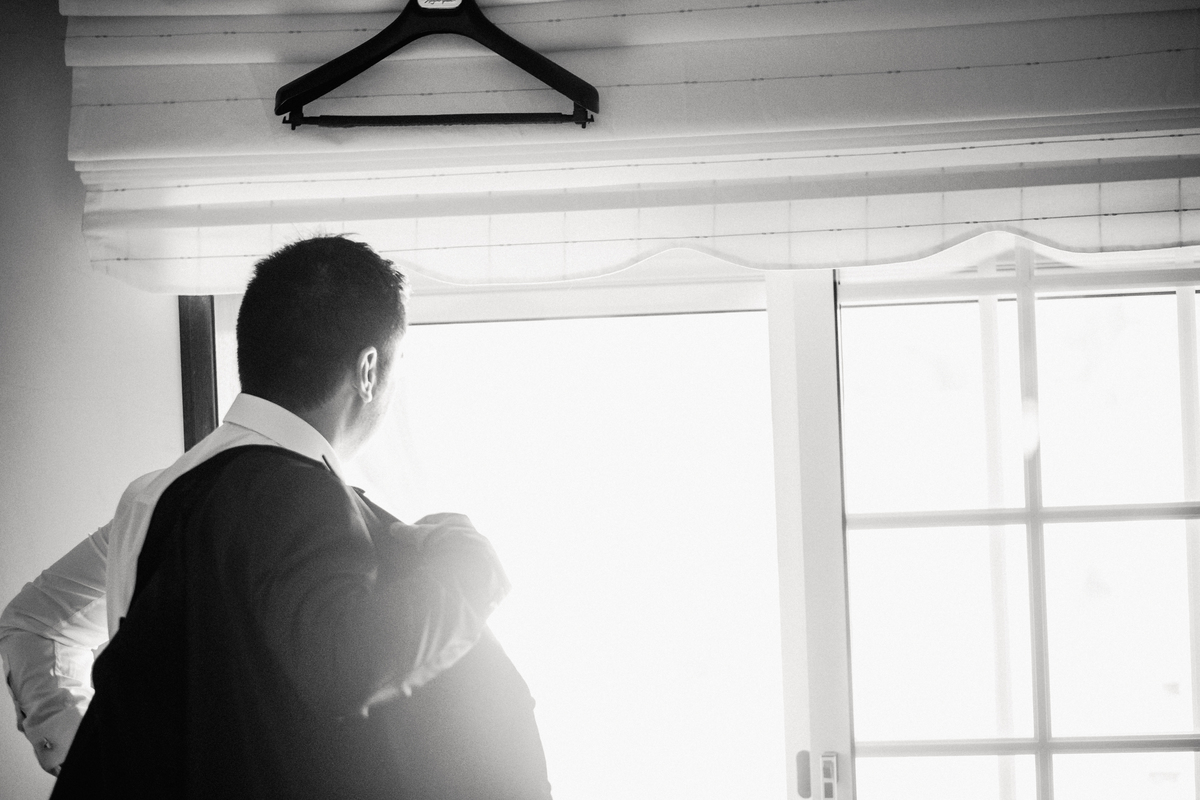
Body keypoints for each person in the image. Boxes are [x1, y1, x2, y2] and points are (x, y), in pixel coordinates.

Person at [0, 236, 551, 798]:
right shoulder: (296, 492)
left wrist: (107, 758)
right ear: (368, 370)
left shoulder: (158, 497)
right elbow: (346, 666)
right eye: (397, 365)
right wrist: (467, 567)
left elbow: (36, 622)